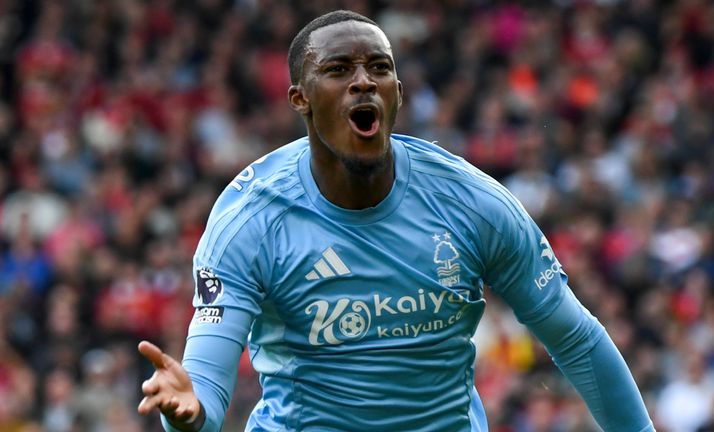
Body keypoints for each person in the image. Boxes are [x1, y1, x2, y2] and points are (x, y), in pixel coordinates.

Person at [137, 10, 655, 432]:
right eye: (338, 70)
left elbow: (576, 339)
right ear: (301, 99)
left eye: (378, 68)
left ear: (397, 93)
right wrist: (187, 414)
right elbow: (201, 399)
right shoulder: (250, 221)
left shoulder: (470, 202)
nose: (363, 81)